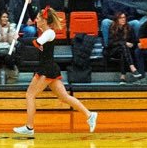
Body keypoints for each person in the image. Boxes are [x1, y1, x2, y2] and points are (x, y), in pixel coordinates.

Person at [14, 7, 98, 136]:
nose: (36, 20)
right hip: (47, 68)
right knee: (64, 97)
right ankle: (90, 115)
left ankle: (29, 127)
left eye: (38, 18)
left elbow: (36, 43)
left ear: (44, 20)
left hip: (47, 70)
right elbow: (33, 18)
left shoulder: (49, 33)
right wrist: (29, 4)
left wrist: (19, 39)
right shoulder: (45, 31)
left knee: (30, 95)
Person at [106, 12, 143, 84]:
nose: (123, 19)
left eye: (124, 17)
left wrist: (132, 44)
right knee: (123, 46)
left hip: (126, 51)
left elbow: (134, 41)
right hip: (114, 50)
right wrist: (124, 43)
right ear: (116, 19)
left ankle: (123, 77)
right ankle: (132, 68)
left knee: (123, 52)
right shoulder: (112, 28)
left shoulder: (129, 27)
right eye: (121, 18)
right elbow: (111, 43)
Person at [0, 12, 19, 84]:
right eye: (3, 17)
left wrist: (9, 33)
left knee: (8, 58)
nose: (6, 19)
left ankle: (13, 75)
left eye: (7, 17)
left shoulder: (12, 27)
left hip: (9, 49)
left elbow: (14, 43)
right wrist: (0, 36)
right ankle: (0, 75)